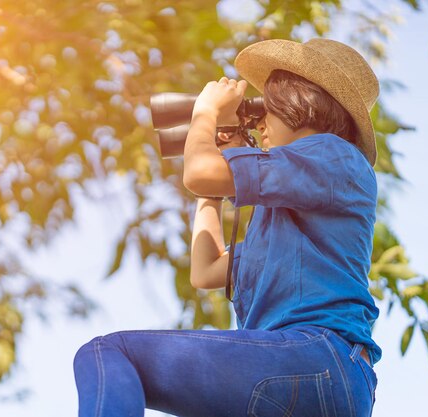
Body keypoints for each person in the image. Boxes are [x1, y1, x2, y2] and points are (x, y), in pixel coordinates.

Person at [73, 38, 381, 417]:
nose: (262, 124)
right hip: (320, 380)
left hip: (315, 358)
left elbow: (198, 172)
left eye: (267, 108)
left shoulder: (333, 153)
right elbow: (206, 270)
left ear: (299, 102)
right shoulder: (286, 216)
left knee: (109, 352)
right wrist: (216, 187)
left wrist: (204, 113)